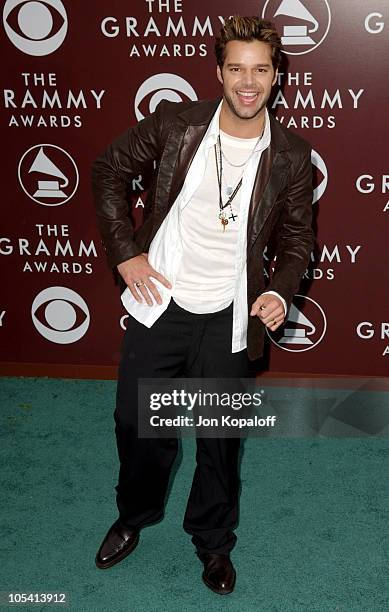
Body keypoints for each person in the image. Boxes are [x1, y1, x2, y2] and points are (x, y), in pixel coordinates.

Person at [91, 15, 314, 595]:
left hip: (231, 311)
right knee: (137, 424)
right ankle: (133, 516)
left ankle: (213, 542)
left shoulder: (291, 156)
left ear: (276, 77)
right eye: (236, 68)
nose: (248, 82)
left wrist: (277, 291)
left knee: (220, 438)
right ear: (219, 72)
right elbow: (109, 169)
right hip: (162, 298)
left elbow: (296, 241)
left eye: (260, 70)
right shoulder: (177, 125)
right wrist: (124, 253)